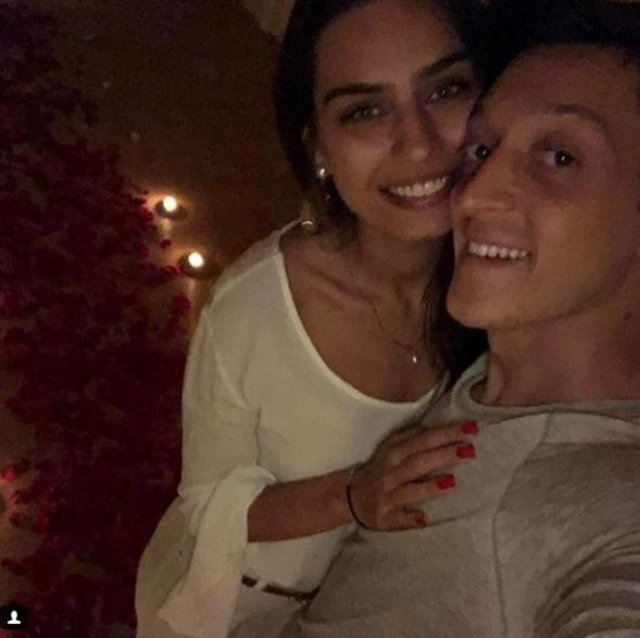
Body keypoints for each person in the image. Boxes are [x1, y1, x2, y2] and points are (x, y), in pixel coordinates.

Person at [252, 0, 640, 636]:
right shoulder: (480, 366)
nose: (474, 192)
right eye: (481, 148)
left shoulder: (598, 510)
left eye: (560, 159)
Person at [134, 0, 487, 636]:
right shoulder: (252, 310)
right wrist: (353, 495)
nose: (419, 142)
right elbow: (205, 509)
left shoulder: (499, 275)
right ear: (317, 145)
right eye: (365, 111)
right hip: (236, 607)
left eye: (445, 90)